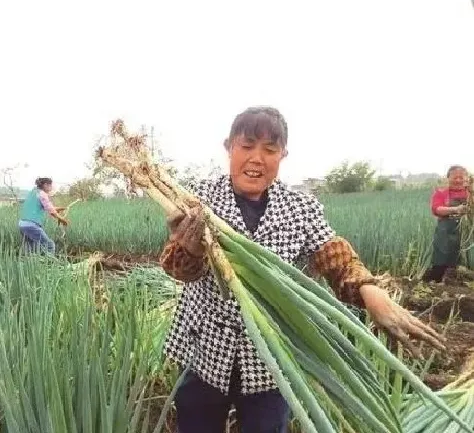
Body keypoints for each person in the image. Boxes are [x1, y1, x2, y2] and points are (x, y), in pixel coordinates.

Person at [158, 106, 446, 433]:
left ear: (283, 155)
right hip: (203, 349)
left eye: (270, 149)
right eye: (247, 146)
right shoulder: (199, 201)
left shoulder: (300, 207)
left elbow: (334, 255)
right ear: (229, 148)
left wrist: (371, 292)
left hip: (270, 358)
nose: (257, 158)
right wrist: (191, 248)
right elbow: (175, 266)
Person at [422, 165, 470, 283]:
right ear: (448, 178)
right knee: (442, 257)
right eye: (455, 177)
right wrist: (455, 209)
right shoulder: (441, 193)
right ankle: (438, 281)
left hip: (466, 231)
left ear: (466, 179)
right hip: (446, 231)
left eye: (461, 177)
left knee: (464, 257)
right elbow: (437, 209)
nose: (458, 180)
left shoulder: (470, 193)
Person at [18, 177, 68, 255]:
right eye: (50, 186)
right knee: (50, 246)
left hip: (22, 224)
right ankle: (49, 265)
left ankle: (28, 264)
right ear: (45, 185)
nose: (51, 188)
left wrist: (60, 208)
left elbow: (48, 207)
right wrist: (62, 219)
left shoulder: (33, 192)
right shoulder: (42, 194)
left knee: (30, 248)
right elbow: (50, 210)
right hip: (31, 225)